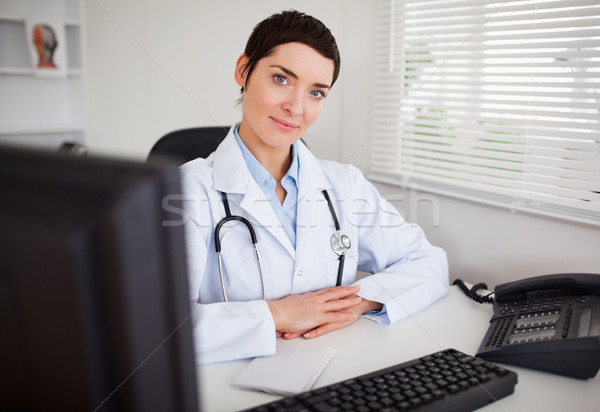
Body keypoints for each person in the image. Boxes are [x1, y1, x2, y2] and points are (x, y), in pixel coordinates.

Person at [180, 10, 448, 364]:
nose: (296, 107)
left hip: (337, 368)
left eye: (316, 92)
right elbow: (156, 330)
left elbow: (429, 261)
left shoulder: (344, 184)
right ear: (243, 71)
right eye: (280, 79)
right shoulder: (187, 190)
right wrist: (277, 314)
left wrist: (359, 302)